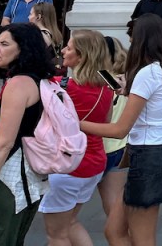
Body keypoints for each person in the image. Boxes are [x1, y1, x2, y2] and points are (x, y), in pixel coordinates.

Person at [80, 13, 162, 246]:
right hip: (161, 152)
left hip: (151, 156)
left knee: (143, 238)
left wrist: (74, 124)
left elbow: (120, 129)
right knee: (114, 231)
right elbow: (157, 103)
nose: (130, 43)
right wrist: (128, 91)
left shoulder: (148, 73)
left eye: (132, 38)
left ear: (142, 41)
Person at [40, 30, 115, 246]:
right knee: (70, 223)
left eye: (69, 47)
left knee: (57, 235)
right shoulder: (107, 85)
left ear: (81, 56)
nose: (63, 51)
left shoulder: (62, 86)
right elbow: (107, 120)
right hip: (94, 163)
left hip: (67, 164)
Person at [0, 23, 54, 245]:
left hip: (9, 178)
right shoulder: (38, 80)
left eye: (4, 44)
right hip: (28, 175)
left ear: (23, 49)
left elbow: (4, 144)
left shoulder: (19, 84)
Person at [96, 36, 131, 246]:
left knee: (64, 218)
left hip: (101, 147)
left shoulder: (103, 78)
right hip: (120, 148)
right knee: (116, 215)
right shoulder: (129, 78)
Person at [29, 1, 64, 66]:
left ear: (38, 17)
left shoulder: (38, 35)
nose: (28, 17)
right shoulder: (57, 35)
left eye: (30, 14)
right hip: (51, 72)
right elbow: (58, 60)